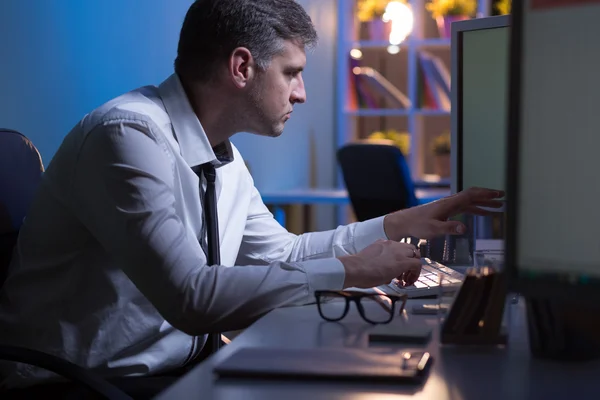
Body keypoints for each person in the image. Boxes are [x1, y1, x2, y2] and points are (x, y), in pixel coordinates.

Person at [0, 0, 503, 396]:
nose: (301, 93)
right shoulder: (125, 136)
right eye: (292, 72)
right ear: (242, 66)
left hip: (170, 372)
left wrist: (395, 224)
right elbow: (192, 298)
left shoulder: (222, 155)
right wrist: (357, 270)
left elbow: (285, 253)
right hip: (78, 385)